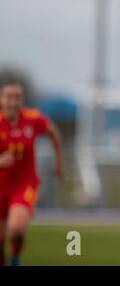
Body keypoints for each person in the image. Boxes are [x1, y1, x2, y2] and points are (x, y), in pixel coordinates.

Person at [0, 79, 63, 266]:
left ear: (22, 100)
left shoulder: (33, 118)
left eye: (17, 97)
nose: (13, 102)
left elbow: (53, 133)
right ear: (1, 100)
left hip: (24, 183)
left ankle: (15, 259)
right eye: (9, 97)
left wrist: (58, 162)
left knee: (16, 228)